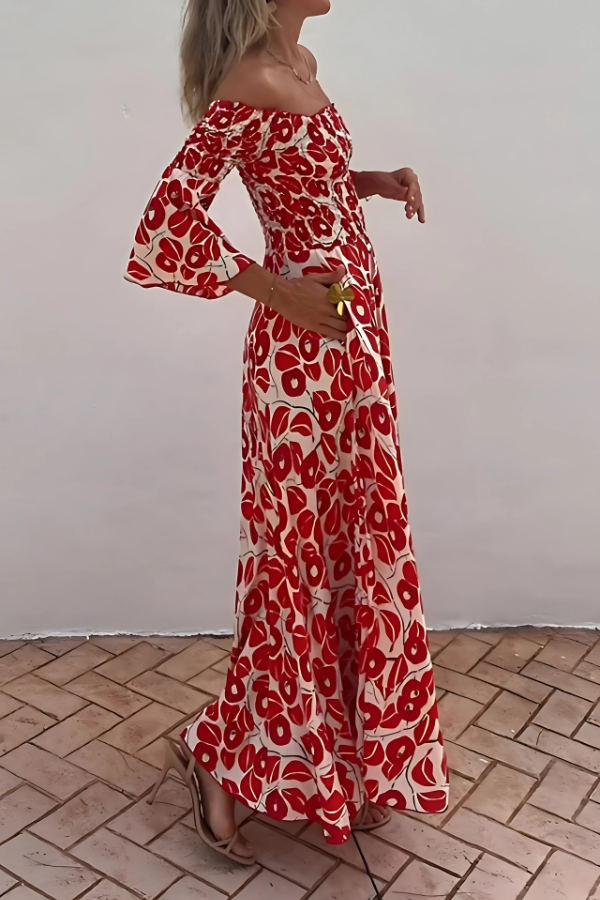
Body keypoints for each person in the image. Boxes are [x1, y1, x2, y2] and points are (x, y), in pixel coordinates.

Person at [126, 0, 449, 867]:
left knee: (346, 542)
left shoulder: (300, 68)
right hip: (299, 364)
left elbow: (301, 182)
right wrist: (277, 290)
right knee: (294, 558)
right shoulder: (250, 81)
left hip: (356, 344)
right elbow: (164, 225)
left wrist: (371, 181)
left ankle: (331, 763)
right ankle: (225, 764)